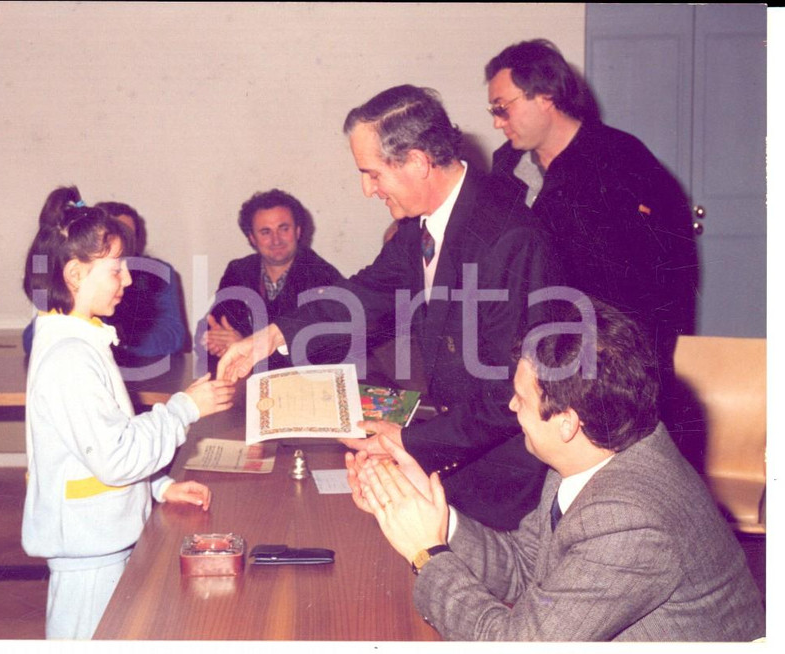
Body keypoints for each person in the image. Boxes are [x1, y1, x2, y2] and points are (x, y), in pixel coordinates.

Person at [218, 86, 563, 530]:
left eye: (373, 174)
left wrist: (408, 440)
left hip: (505, 480)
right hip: (459, 456)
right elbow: (365, 294)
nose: (367, 190)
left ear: (418, 162)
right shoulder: (422, 224)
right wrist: (273, 335)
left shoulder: (506, 236)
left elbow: (509, 398)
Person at [347, 299, 765, 641]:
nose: (512, 408)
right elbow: (527, 569)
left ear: (567, 422)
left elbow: (515, 646)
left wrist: (427, 553)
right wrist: (436, 516)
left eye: (521, 400)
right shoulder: (593, 451)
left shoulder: (630, 522)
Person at [20, 192, 234, 639]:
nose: (128, 279)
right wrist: (185, 408)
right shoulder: (68, 358)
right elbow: (115, 457)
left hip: (104, 537)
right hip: (89, 552)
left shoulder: (84, 338)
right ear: (75, 274)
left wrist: (159, 485)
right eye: (116, 268)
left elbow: (101, 441)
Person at [484, 39, 698, 404]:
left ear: (546, 95)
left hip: (610, 359)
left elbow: (669, 273)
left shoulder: (621, 160)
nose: (496, 121)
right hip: (534, 352)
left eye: (503, 108)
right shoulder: (505, 166)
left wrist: (638, 358)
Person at [22, 189, 189, 367]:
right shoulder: (73, 290)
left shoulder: (158, 275)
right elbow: (33, 337)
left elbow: (174, 336)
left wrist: (116, 340)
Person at [199, 188, 343, 372]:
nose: (276, 240)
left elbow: (322, 353)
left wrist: (247, 346)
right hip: (244, 379)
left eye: (284, 229)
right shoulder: (238, 271)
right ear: (252, 238)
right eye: (265, 232)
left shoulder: (323, 277)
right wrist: (217, 342)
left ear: (298, 231)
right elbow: (219, 330)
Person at [95, 200, 190, 367]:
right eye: (113, 237)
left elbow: (174, 336)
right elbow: (38, 334)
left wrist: (120, 340)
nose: (122, 244)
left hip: (143, 373)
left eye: (128, 236)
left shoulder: (158, 274)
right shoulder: (79, 277)